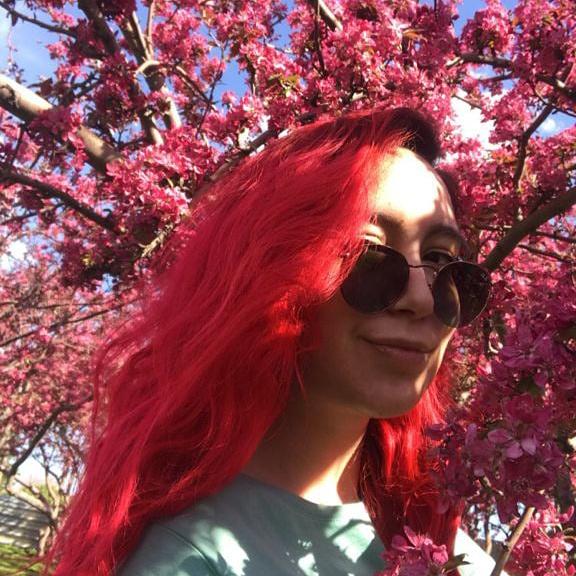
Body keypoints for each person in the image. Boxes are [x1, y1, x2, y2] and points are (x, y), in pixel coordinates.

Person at [48, 107, 497, 576]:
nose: (422, 298)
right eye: (367, 251)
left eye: (441, 259)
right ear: (270, 275)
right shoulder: (188, 560)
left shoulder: (431, 533)